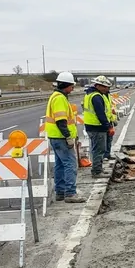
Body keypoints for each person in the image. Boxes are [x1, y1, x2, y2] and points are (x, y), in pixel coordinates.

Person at [45, 72, 86, 203]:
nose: (72, 89)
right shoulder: (59, 98)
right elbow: (61, 121)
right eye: (71, 86)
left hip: (55, 137)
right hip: (61, 137)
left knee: (60, 165)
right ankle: (70, 193)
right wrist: (68, 136)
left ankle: (61, 192)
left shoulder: (56, 96)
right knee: (70, 164)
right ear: (66, 85)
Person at [82, 75, 115, 178]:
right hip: (97, 127)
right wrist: (108, 126)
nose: (107, 89)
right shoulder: (96, 97)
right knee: (99, 150)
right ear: (98, 86)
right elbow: (100, 114)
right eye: (105, 87)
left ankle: (98, 169)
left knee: (97, 149)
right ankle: (97, 171)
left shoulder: (90, 94)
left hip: (92, 126)